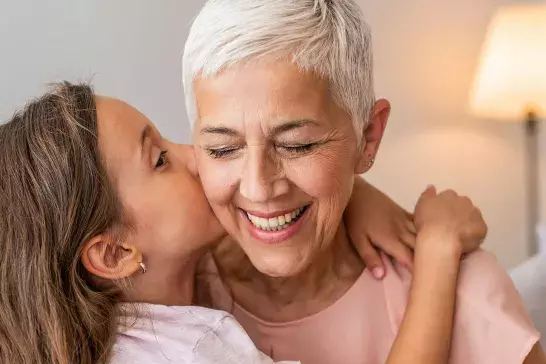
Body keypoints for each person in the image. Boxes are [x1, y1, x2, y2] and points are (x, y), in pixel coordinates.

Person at [0, 82, 485, 364]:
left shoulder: (141, 311)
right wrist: (439, 250)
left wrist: (354, 192)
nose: (195, 156)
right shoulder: (193, 353)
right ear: (115, 254)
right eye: (160, 159)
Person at [184, 0, 544, 363]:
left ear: (368, 136)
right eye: (223, 148)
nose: (257, 187)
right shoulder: (167, 295)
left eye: (298, 145)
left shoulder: (464, 288)